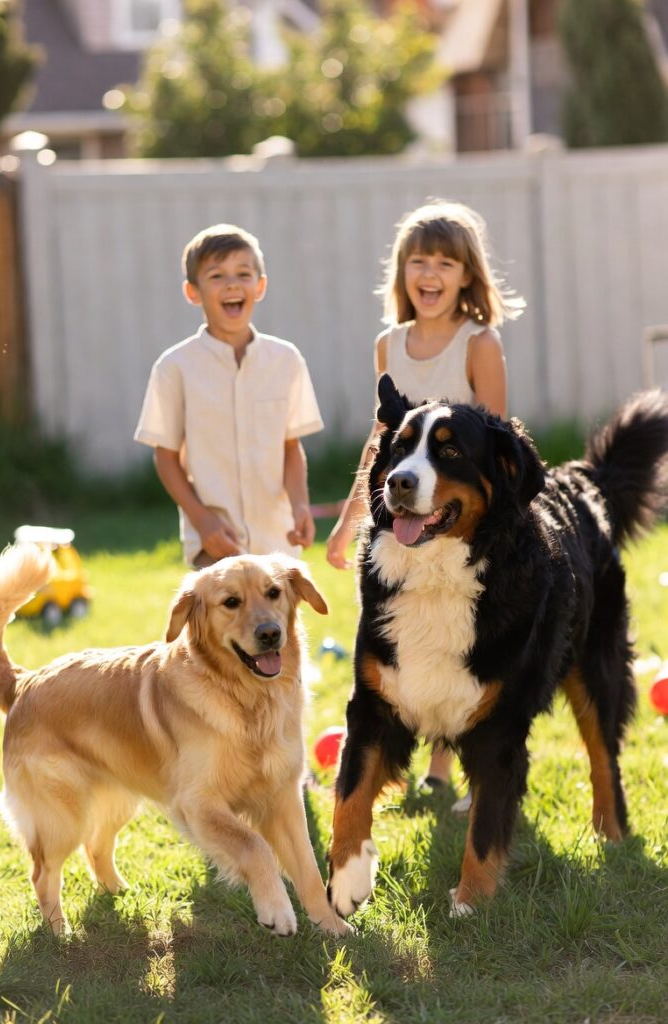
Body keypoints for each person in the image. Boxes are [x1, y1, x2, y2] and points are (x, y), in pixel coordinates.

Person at [326, 199, 524, 800]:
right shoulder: (391, 342)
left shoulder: (477, 343)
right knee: (406, 630)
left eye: (445, 262)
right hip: (404, 513)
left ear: (467, 276)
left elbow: (496, 439)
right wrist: (346, 522)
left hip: (457, 523)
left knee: (457, 635)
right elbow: (380, 439)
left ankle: (452, 768)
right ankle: (402, 755)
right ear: (402, 272)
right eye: (418, 260)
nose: (430, 273)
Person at [135, 224, 323, 568]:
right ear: (193, 292)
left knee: (282, 624)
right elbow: (165, 457)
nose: (233, 284)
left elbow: (291, 448)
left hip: (277, 541)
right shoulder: (174, 367)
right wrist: (202, 520)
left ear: (260, 286)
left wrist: (300, 506)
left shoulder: (286, 360)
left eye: (243, 274)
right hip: (215, 543)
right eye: (217, 275)